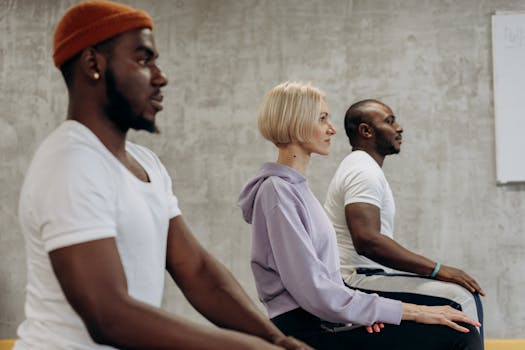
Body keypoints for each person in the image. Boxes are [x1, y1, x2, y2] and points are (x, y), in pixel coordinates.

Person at [14, 2, 311, 349]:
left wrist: (275, 339)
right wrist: (248, 348)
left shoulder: (146, 162)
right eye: (143, 59)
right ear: (94, 64)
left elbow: (197, 270)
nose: (160, 76)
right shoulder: (70, 162)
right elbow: (108, 314)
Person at [238, 82, 482, 350]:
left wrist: (360, 314)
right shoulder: (277, 192)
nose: (331, 129)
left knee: (456, 327)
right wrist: (411, 311)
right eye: (322, 119)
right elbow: (315, 291)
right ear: (296, 123)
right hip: (306, 331)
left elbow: (322, 290)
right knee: (459, 333)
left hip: (325, 320)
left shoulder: (297, 189)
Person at [323, 99, 485, 338]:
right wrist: (438, 270)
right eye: (389, 121)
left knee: (456, 299)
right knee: (460, 298)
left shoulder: (364, 167)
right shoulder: (362, 170)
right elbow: (367, 240)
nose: (399, 128)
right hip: (355, 279)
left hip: (367, 274)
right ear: (366, 131)